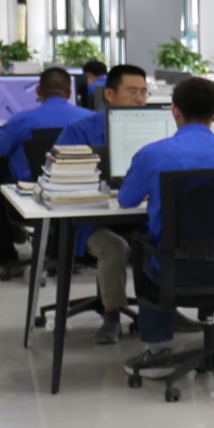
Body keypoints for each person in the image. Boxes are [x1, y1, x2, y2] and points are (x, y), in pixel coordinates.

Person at [117, 77, 214, 372]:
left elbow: (126, 200)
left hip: (175, 267)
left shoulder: (152, 154)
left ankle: (158, 352)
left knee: (144, 248)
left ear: (174, 110)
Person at [60, 64, 149, 346]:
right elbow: (60, 180)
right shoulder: (79, 131)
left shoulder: (153, 129)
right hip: (90, 221)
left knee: (163, 237)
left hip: (137, 215)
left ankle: (161, 311)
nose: (140, 99)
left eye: (144, 92)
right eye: (132, 92)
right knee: (115, 247)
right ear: (109, 94)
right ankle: (112, 316)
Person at [0, 67, 85, 279]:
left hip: (32, 196)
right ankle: (65, 256)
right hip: (79, 195)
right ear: (70, 93)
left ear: (38, 91)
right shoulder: (88, 118)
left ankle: (7, 260)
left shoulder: (22, 120)